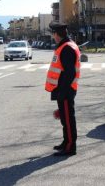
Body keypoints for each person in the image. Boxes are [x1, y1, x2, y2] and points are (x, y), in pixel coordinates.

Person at [45, 21, 81, 156]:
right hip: (64, 90)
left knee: (68, 120)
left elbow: (69, 73)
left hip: (65, 91)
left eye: (53, 33)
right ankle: (66, 142)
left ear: (56, 34)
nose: (53, 36)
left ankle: (70, 147)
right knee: (65, 119)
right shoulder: (65, 46)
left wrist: (62, 93)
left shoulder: (66, 48)